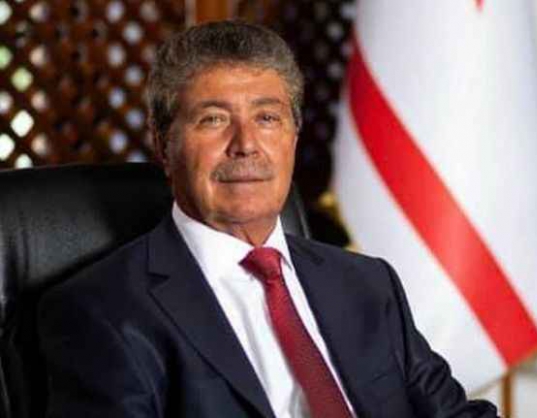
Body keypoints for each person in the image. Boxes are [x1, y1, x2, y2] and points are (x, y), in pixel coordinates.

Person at [38, 21, 499, 418]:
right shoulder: (103, 311)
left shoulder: (367, 284)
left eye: (267, 118)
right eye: (213, 119)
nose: (246, 145)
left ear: (293, 137)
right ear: (163, 144)